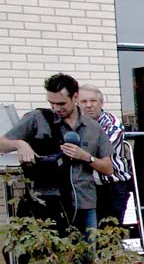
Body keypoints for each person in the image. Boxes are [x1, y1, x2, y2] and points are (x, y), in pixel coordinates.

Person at [0, 73, 113, 237]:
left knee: (87, 259)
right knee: (51, 259)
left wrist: (86, 157)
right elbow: (2, 143)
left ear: (75, 97)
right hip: (48, 201)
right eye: (51, 103)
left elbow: (108, 168)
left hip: (84, 203)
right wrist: (19, 144)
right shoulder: (37, 119)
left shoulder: (93, 127)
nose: (56, 108)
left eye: (61, 103)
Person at [78, 84, 132, 226]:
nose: (89, 105)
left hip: (112, 185)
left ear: (101, 103)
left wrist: (78, 151)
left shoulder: (112, 124)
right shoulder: (75, 124)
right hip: (86, 187)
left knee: (109, 236)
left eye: (93, 101)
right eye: (84, 101)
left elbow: (98, 151)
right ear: (77, 103)